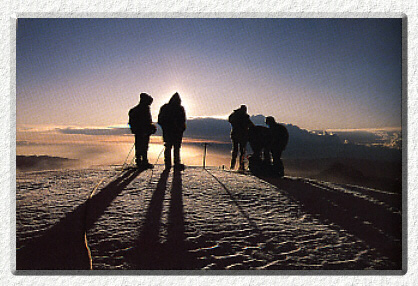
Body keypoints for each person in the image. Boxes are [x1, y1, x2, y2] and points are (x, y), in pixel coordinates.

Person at [158, 92, 186, 170]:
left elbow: (160, 120)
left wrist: (181, 128)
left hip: (172, 132)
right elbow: (183, 121)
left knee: (171, 147)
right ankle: (173, 164)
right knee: (173, 147)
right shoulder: (179, 108)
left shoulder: (165, 107)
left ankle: (169, 164)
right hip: (173, 132)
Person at [128, 92, 156, 169]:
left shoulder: (137, 109)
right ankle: (142, 161)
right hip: (143, 131)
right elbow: (146, 121)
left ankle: (140, 161)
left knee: (139, 145)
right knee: (143, 146)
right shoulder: (144, 109)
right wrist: (150, 127)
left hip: (140, 131)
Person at [228, 105, 252, 171]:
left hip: (235, 134)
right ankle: (241, 167)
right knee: (242, 151)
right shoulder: (245, 116)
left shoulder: (234, 115)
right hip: (242, 135)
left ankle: (232, 166)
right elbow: (250, 125)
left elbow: (230, 120)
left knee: (235, 150)